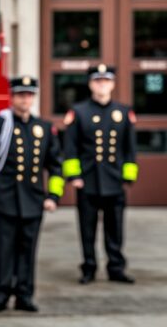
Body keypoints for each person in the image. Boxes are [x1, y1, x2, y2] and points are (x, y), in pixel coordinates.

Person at [0, 77, 64, 312]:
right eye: (20, 95)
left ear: (33, 98)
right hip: (3, 198)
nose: (25, 99)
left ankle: (24, 296)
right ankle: (0, 296)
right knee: (3, 250)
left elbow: (56, 164)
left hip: (33, 199)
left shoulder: (44, 128)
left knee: (28, 250)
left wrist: (53, 196)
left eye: (29, 95)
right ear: (12, 97)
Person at [63, 64, 137, 285]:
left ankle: (116, 267)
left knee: (115, 228)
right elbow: (70, 147)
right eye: (97, 81)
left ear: (113, 84)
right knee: (87, 228)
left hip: (114, 181)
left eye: (106, 81)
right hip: (88, 180)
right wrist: (74, 176)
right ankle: (89, 267)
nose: (102, 85)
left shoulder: (123, 112)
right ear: (90, 84)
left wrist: (128, 176)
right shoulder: (78, 112)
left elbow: (129, 148)